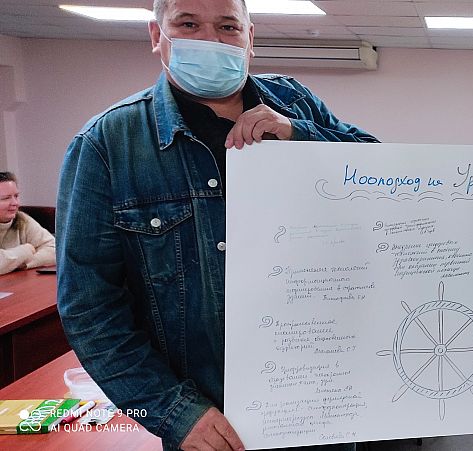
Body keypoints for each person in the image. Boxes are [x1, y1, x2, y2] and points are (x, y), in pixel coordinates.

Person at [55, 1, 377, 450]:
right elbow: (89, 308)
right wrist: (173, 412)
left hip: (322, 405)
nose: (210, 40)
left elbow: (379, 175)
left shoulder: (295, 102)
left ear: (250, 37)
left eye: (228, 26)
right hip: (209, 423)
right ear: (157, 35)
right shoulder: (107, 143)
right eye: (188, 24)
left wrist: (298, 134)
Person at [0, 171, 56, 274]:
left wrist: (21, 263)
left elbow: (55, 249)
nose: (15, 203)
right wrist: (26, 250)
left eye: (16, 196)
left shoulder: (22, 219)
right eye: (6, 198)